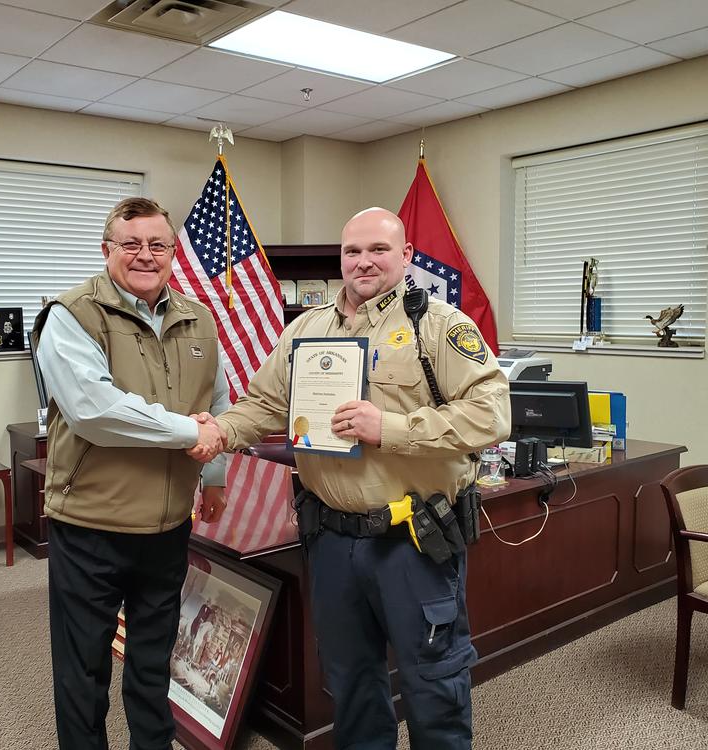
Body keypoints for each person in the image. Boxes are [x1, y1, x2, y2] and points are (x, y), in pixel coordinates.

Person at [204, 207, 511, 750]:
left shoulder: (437, 325)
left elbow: (491, 415)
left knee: (433, 685)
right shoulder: (307, 328)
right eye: (352, 251)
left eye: (378, 250)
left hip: (411, 541)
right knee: (349, 684)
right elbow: (262, 405)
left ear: (405, 257)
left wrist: (388, 426)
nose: (363, 261)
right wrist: (218, 432)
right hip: (331, 541)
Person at [33, 196, 230, 750]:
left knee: (152, 664)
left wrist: (212, 475)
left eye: (158, 245)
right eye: (131, 244)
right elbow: (95, 410)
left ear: (172, 251)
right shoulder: (72, 316)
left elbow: (214, 401)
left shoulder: (198, 318)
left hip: (167, 527)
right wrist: (194, 435)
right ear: (107, 250)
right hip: (91, 526)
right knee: (83, 671)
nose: (145, 255)